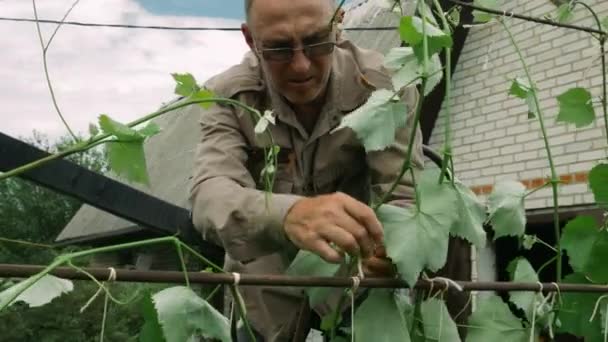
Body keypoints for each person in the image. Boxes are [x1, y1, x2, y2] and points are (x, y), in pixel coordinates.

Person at [188, 0, 429, 340]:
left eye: (317, 40)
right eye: (278, 48)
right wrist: (287, 216)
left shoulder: (385, 86)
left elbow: (405, 197)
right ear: (249, 39)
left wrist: (395, 247)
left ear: (339, 24)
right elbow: (208, 194)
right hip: (267, 311)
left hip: (358, 308)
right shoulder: (229, 97)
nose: (301, 66)